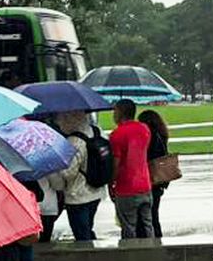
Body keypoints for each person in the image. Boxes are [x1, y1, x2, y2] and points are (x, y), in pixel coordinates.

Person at [51, 111, 108, 241]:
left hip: (77, 195)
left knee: (82, 234)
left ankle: (88, 259)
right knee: (88, 227)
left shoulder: (74, 141)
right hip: (97, 191)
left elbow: (68, 172)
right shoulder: (97, 131)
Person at [108, 100, 153, 239]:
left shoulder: (116, 134)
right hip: (145, 184)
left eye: (115, 111)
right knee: (147, 224)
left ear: (120, 112)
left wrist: (111, 182)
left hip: (126, 187)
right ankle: (151, 251)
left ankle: (130, 256)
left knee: (128, 227)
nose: (113, 114)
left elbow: (116, 162)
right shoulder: (144, 129)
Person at [140, 109, 172, 238]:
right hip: (159, 179)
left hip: (150, 178)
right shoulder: (161, 134)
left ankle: (153, 239)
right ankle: (157, 237)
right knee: (153, 214)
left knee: (149, 216)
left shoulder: (150, 136)